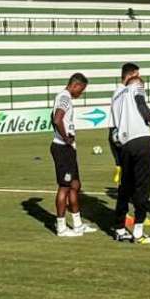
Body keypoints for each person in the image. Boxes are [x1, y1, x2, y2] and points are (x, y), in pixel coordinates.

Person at [110, 64, 150, 244]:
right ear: (133, 75)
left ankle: (119, 228)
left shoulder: (116, 94)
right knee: (143, 186)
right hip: (141, 139)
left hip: (124, 144)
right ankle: (138, 231)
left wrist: (117, 159)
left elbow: (111, 130)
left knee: (125, 188)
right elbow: (141, 102)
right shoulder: (135, 85)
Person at [50, 73, 96, 237]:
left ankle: (77, 224)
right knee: (65, 186)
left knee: (75, 185)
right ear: (75, 85)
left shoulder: (65, 98)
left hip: (68, 149)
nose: (81, 93)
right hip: (62, 148)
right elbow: (57, 119)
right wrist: (66, 138)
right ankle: (61, 227)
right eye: (81, 90)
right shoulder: (64, 97)